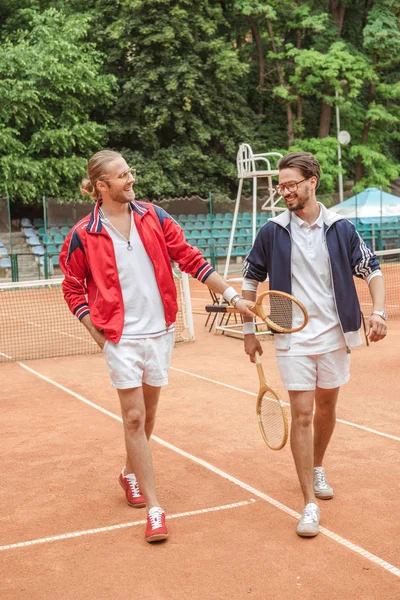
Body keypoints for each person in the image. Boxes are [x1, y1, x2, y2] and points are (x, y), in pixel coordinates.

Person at [59, 150, 254, 543]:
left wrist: (234, 298)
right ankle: (155, 509)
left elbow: (191, 259)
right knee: (133, 418)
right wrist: (90, 326)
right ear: (101, 186)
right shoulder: (83, 233)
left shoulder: (155, 217)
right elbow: (71, 285)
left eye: (130, 172)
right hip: (120, 337)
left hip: (160, 332)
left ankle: (129, 472)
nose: (131, 179)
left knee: (148, 415)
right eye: (122, 176)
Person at [241, 152, 387, 537]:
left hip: (336, 334)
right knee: (302, 414)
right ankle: (307, 502)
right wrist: (248, 331)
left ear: (312, 182)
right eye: (281, 185)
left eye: (291, 184)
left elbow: (371, 269)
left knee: (326, 407)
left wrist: (380, 311)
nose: (284, 191)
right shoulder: (272, 230)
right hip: (291, 335)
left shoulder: (341, 228)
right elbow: (250, 280)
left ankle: (317, 465)